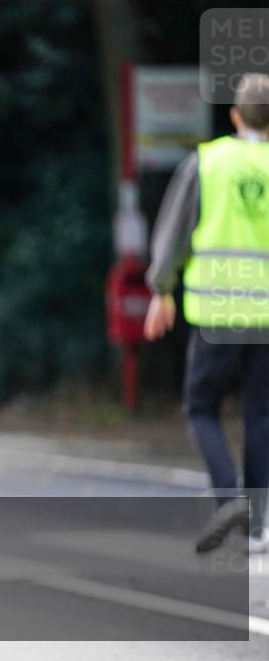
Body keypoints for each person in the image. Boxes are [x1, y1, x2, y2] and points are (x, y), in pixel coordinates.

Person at [144, 73, 269, 555]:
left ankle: (229, 497)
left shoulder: (209, 161)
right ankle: (257, 528)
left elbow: (176, 229)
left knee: (201, 406)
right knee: (260, 414)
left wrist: (162, 289)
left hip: (219, 310)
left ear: (235, 115)